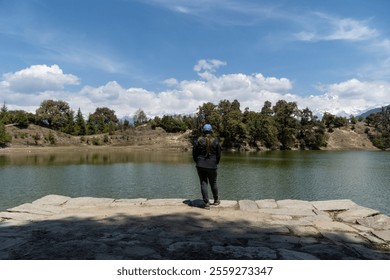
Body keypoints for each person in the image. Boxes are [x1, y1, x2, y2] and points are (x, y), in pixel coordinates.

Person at [192, 124, 221, 209]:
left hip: (200, 165)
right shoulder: (215, 141)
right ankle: (216, 200)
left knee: (203, 183)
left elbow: (194, 154)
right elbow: (219, 155)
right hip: (212, 165)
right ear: (211, 131)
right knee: (214, 182)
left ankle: (206, 203)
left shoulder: (197, 141)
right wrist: (216, 163)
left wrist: (198, 162)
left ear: (203, 131)